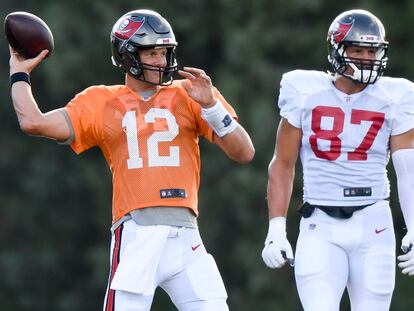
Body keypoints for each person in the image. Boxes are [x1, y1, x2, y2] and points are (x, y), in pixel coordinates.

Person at [8, 9, 254, 311]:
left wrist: (213, 107)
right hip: (138, 232)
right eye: (152, 53)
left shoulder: (192, 94)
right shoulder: (100, 101)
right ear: (127, 56)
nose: (162, 61)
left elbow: (244, 152)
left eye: (164, 52)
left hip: (187, 234)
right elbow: (33, 122)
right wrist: (19, 73)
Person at [261, 9, 414, 311]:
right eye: (357, 50)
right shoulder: (304, 90)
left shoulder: (397, 95)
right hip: (320, 223)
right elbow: (283, 163)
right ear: (337, 51)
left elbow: (408, 170)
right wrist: (276, 228)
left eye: (372, 51)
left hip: (375, 224)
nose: (367, 58)